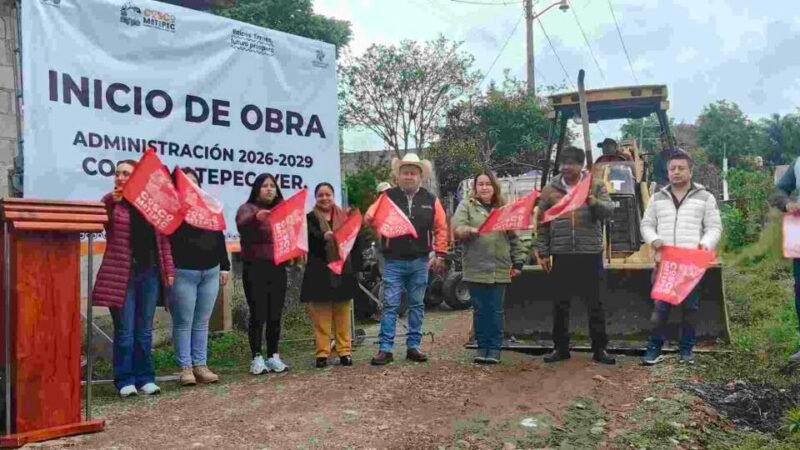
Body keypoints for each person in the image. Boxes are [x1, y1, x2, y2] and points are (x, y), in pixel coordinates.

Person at [92, 159, 175, 398]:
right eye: (117, 173)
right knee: (125, 331)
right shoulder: (113, 203)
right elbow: (99, 221)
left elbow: (163, 242)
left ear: (137, 177)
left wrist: (169, 271)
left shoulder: (151, 204)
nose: (120, 177)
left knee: (144, 331)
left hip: (148, 273)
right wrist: (110, 201)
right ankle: (124, 380)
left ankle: (145, 378)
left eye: (126, 173)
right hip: (121, 275)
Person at [364, 153, 448, 366]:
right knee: (390, 304)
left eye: (413, 173)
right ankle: (385, 349)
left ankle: (413, 347)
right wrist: (374, 216)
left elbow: (440, 228)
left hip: (420, 260)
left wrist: (439, 253)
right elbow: (369, 217)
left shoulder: (431, 200)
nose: (409, 176)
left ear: (420, 176)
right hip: (393, 260)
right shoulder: (387, 197)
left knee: (417, 304)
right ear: (398, 175)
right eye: (405, 172)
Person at [535, 146, 617, 365]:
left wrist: (592, 201)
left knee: (595, 303)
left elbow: (608, 211)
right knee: (560, 304)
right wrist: (542, 252)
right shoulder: (550, 189)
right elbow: (541, 222)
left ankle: (600, 349)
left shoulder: (595, 185)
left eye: (571, 163)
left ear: (581, 166)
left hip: (589, 252)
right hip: (561, 254)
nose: (566, 167)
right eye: (563, 163)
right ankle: (560, 348)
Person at [640, 151, 722, 365]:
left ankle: (686, 350)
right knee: (660, 307)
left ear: (690, 171)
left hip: (690, 263)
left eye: (681, 168)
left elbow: (714, 227)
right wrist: (655, 239)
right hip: (665, 262)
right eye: (672, 169)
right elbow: (646, 224)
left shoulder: (705, 197)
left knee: (690, 308)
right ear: (667, 172)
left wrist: (705, 244)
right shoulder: (658, 198)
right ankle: (654, 349)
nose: (676, 172)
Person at [451, 171, 527, 364]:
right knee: (479, 310)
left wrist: (518, 261)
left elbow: (513, 238)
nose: (484, 187)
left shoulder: (503, 208)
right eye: (480, 184)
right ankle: (481, 347)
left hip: (499, 268)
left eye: (488, 184)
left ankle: (494, 349)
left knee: (496, 311)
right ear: (475, 187)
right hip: (475, 267)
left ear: (494, 187)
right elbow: (457, 228)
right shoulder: (466, 206)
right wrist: (471, 230)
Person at [168, 168, 231, 385]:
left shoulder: (210, 207)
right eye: (185, 182)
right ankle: (185, 368)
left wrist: (225, 266)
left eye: (194, 182)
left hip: (211, 271)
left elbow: (219, 237)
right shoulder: (171, 210)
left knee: (202, 322)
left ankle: (200, 365)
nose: (191, 186)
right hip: (183, 272)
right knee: (183, 322)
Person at [301, 183, 362, 368]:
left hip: (343, 270)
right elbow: (307, 241)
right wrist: (322, 237)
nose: (324, 198)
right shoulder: (309, 218)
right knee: (321, 314)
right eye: (320, 195)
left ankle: (345, 351)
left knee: (342, 312)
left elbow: (355, 242)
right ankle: (322, 353)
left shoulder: (345, 217)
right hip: (319, 270)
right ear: (316, 198)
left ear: (333, 196)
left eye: (328, 194)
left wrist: (358, 267)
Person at [236, 173, 290, 375]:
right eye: (265, 186)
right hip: (255, 267)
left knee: (275, 313)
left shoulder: (281, 210)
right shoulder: (247, 209)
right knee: (258, 313)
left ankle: (273, 355)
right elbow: (242, 223)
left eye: (272, 186)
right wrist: (255, 217)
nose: (269, 189)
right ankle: (256, 357)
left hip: (277, 267)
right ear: (257, 189)